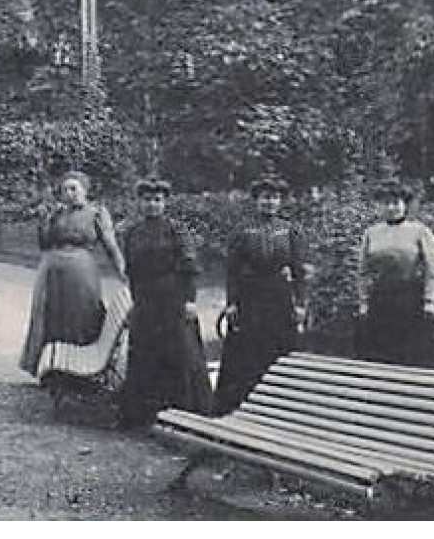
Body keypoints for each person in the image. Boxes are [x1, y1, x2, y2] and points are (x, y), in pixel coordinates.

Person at [18, 170, 132, 395]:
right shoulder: (57, 214)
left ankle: (82, 375)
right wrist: (44, 221)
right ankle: (53, 373)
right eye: (65, 190)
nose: (69, 194)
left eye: (74, 189)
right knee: (51, 316)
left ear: (85, 191)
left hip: (81, 272)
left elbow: (110, 244)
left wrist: (123, 271)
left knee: (82, 315)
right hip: (51, 271)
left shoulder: (96, 213)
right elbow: (44, 244)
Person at [213, 173, 312, 415]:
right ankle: (243, 405)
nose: (269, 202)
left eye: (275, 198)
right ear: (256, 200)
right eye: (265, 197)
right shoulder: (242, 231)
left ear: (281, 202)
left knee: (281, 350)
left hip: (279, 296)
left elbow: (300, 270)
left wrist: (300, 304)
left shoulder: (290, 231)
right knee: (247, 353)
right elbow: (232, 271)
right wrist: (232, 302)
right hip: (250, 297)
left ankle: (282, 405)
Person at [117, 177, 212, 428]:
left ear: (165, 203)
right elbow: (132, 271)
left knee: (177, 352)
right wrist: (134, 302)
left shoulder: (176, 230)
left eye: (157, 200)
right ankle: (144, 414)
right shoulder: (132, 233)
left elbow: (190, 267)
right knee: (145, 353)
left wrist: (189, 300)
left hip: (172, 298)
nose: (152, 205)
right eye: (147, 200)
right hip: (146, 300)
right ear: (140, 202)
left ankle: (182, 412)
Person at [355, 177, 434, 367]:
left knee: (409, 354)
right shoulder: (371, 233)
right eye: (386, 203)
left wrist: (429, 301)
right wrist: (363, 301)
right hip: (380, 299)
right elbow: (362, 271)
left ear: (405, 205)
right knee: (379, 354)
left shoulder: (419, 231)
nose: (391, 207)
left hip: (409, 299)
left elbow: (433, 269)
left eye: (395, 202)